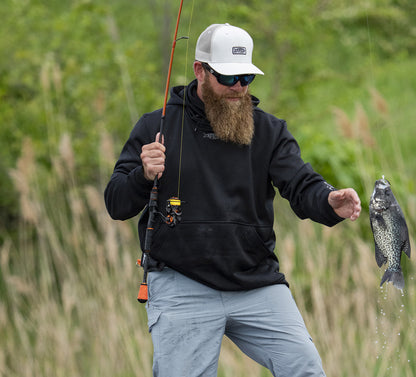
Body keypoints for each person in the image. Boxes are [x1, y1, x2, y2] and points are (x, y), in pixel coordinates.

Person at [104, 23, 361, 377]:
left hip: (256, 281)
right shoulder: (155, 127)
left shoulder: (270, 131)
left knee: (306, 368)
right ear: (200, 71)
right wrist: (142, 175)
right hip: (181, 283)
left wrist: (330, 200)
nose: (238, 87)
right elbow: (116, 204)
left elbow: (302, 184)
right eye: (228, 77)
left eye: (246, 77)